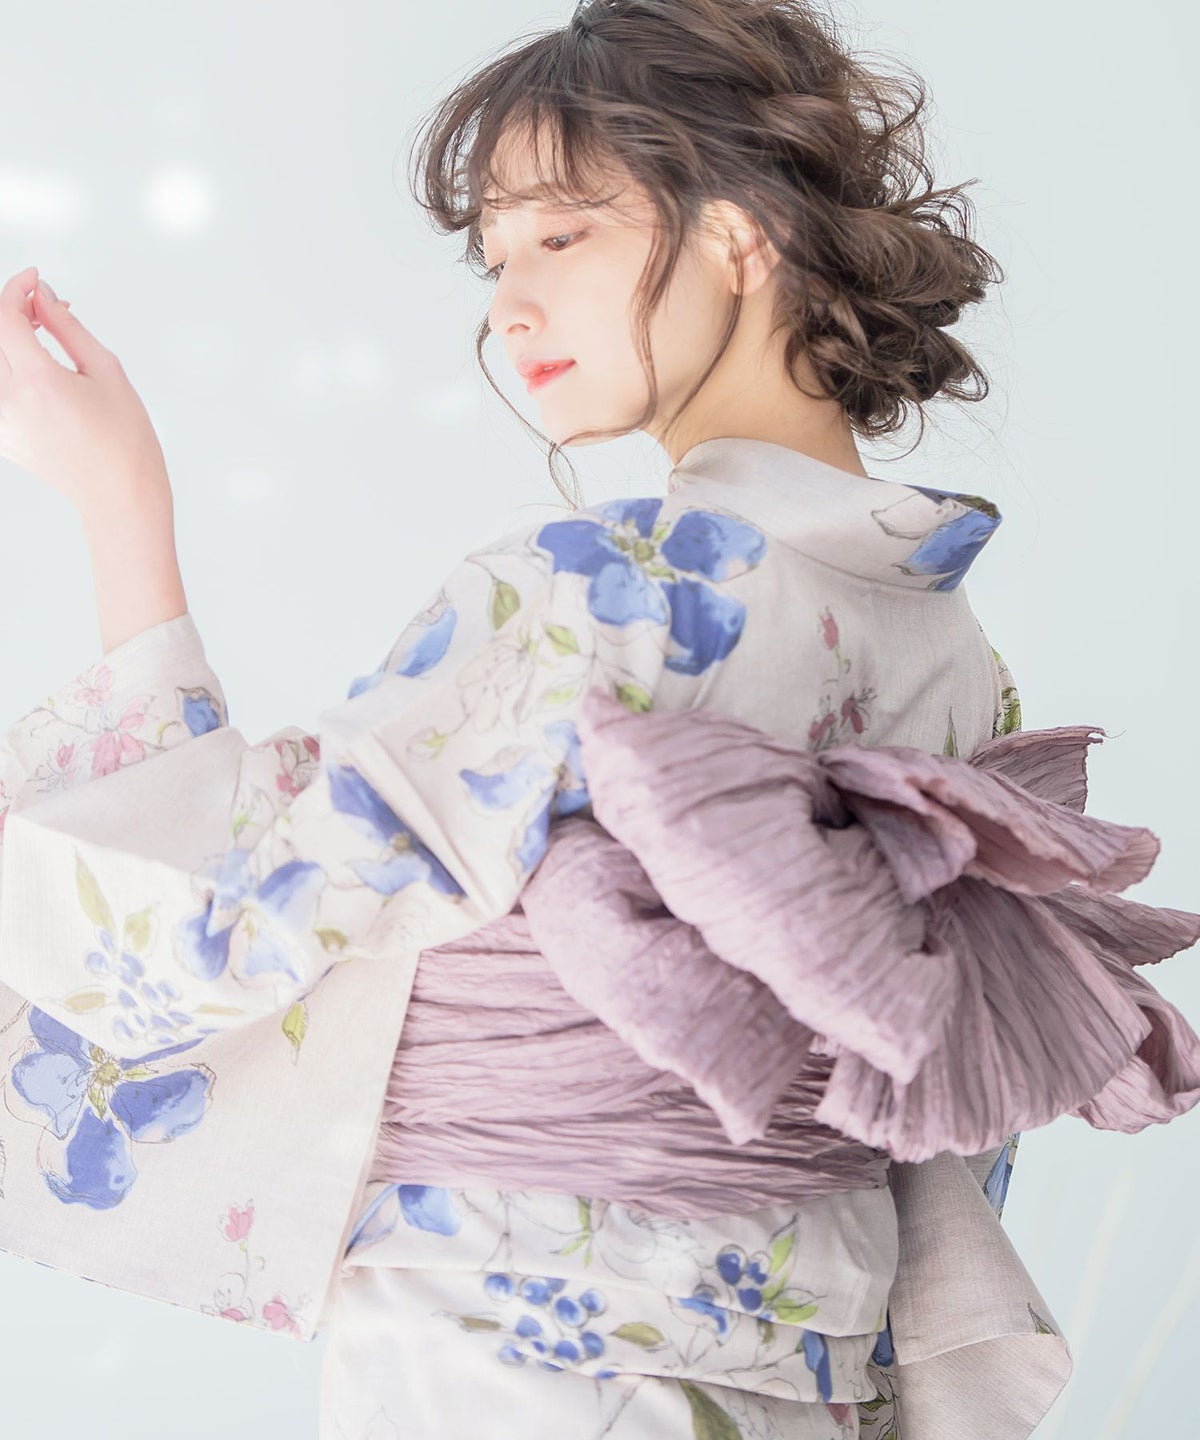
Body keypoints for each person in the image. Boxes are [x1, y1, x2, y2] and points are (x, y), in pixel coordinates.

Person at [1, 3, 1197, 1438]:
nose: (509, 306)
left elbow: (227, 917)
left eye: (559, 235)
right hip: (809, 1362)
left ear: (739, 236)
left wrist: (120, 506)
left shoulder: (598, 587)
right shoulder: (958, 659)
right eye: (493, 258)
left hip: (513, 1340)